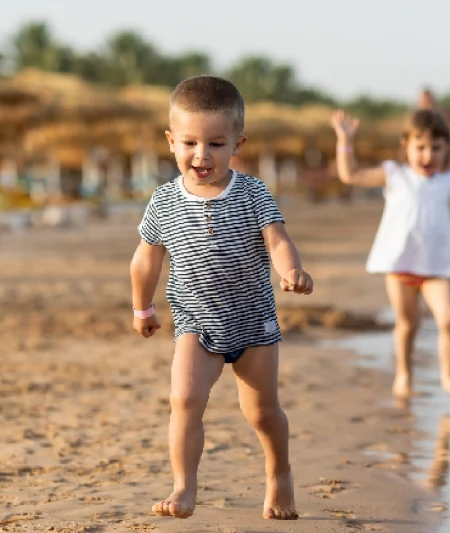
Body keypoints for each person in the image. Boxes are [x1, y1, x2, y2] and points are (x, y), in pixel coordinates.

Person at [129, 75, 313, 521]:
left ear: (237, 143)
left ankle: (279, 473)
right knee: (185, 400)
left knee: (263, 413)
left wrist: (290, 270)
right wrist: (143, 307)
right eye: (190, 142)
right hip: (197, 322)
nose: (201, 155)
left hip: (253, 324)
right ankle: (183, 487)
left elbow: (277, 239)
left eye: (215, 144)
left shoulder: (252, 193)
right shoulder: (164, 202)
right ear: (171, 141)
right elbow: (145, 261)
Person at [330, 107, 450, 399]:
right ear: (406, 146)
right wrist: (345, 140)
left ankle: (448, 375)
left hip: (437, 267)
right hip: (401, 266)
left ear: (447, 149)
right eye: (421, 147)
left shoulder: (449, 181)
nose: (428, 155)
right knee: (407, 324)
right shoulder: (394, 175)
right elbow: (350, 175)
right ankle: (403, 373)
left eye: (436, 148)